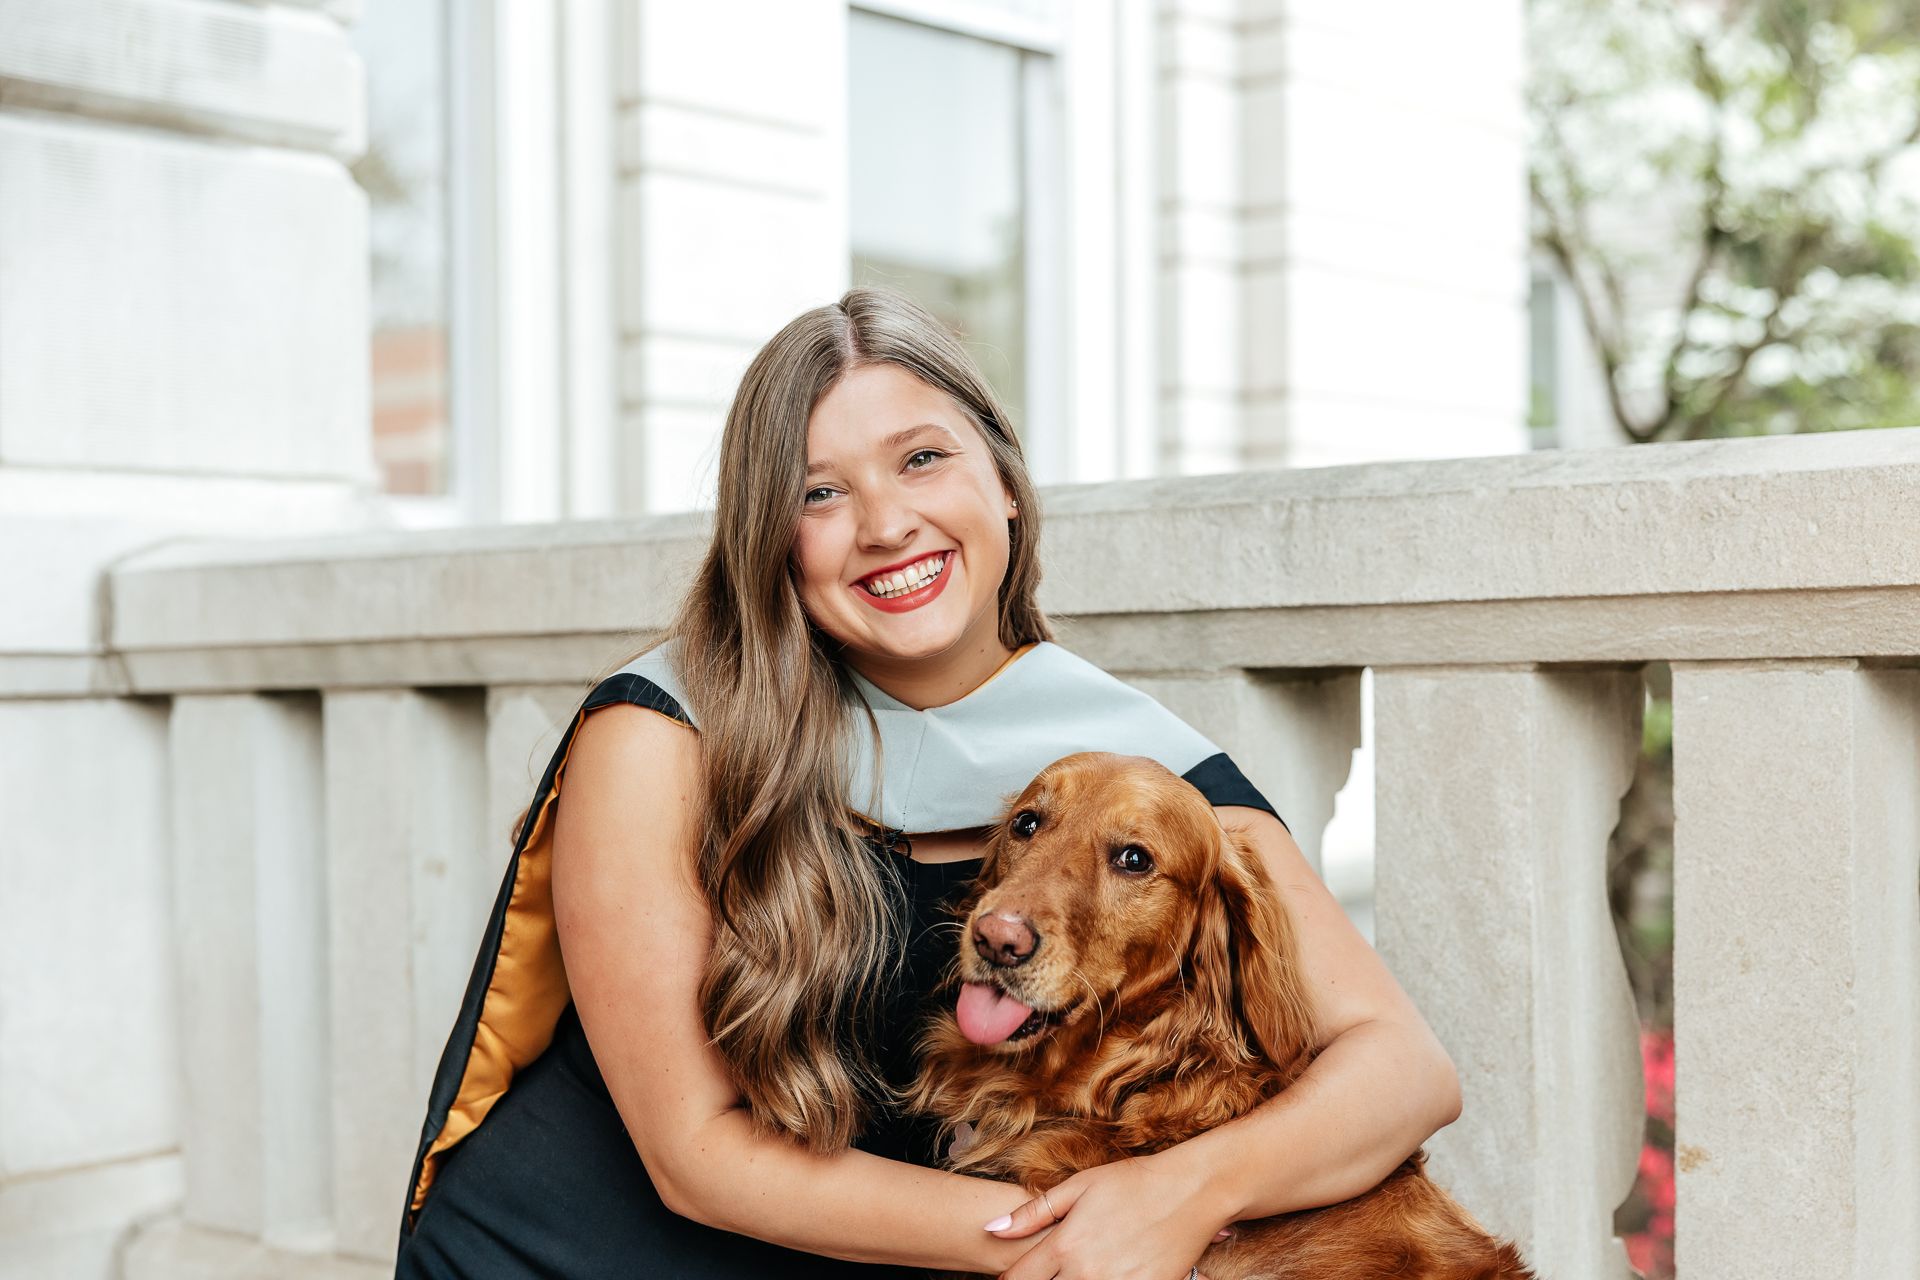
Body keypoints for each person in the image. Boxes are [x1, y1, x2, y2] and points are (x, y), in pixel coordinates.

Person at [393, 287, 1463, 1279]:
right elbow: (696, 1152)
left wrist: (1183, 1193)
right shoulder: (665, 728)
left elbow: (1403, 1069)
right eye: (820, 491)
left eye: (921, 459)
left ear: (1003, 481)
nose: (886, 523)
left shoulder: (1132, 769)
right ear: (774, 542)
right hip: (571, 1252)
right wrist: (1070, 1242)